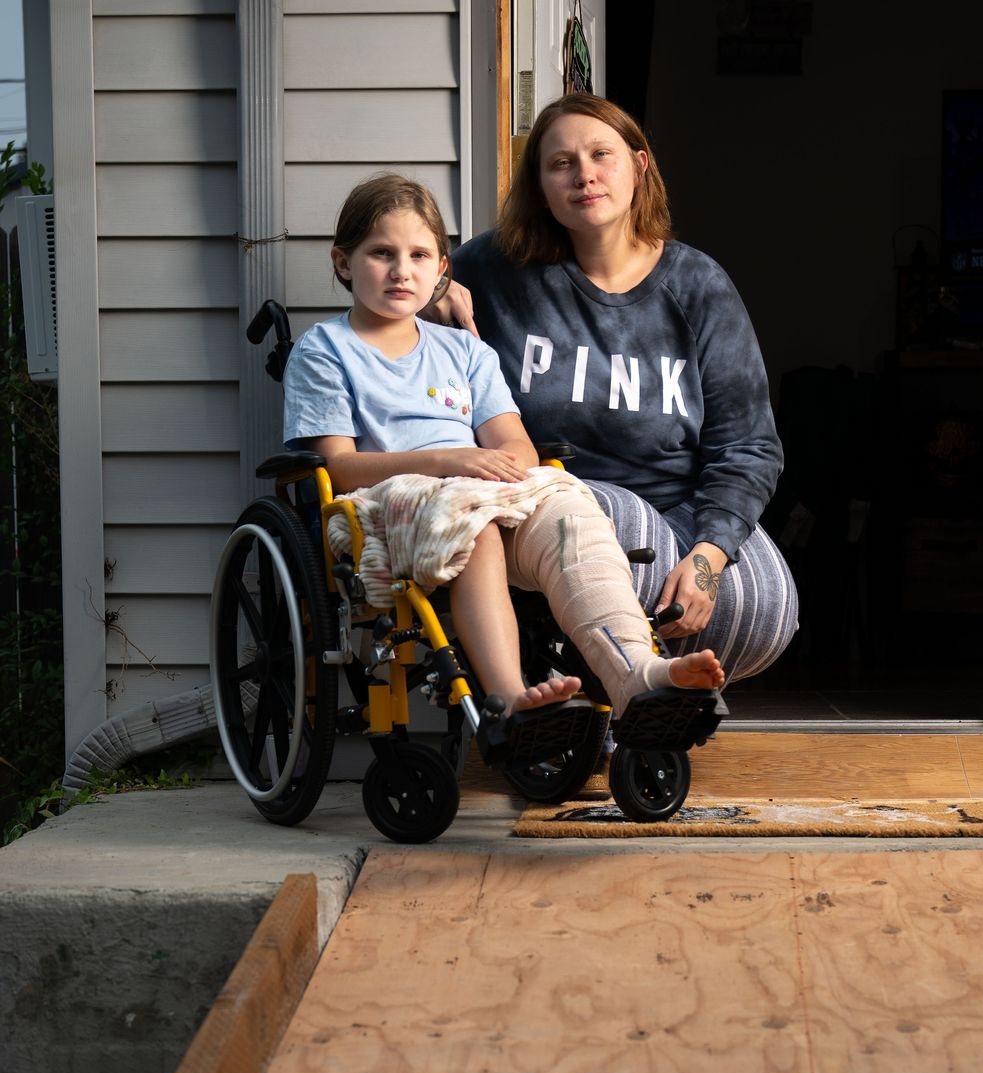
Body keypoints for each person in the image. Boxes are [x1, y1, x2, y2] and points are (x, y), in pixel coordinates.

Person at [280, 173, 724, 739]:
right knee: (478, 526)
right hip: (382, 510)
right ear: (343, 262)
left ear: (443, 269)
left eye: (419, 255)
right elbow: (338, 467)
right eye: (381, 254)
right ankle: (511, 703)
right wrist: (449, 462)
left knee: (569, 508)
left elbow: (512, 443)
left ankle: (637, 673)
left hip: (473, 494)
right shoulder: (326, 350)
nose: (401, 271)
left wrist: (507, 470)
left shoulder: (464, 350)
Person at [443, 93, 798, 684]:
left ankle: (657, 689)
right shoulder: (498, 269)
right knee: (615, 534)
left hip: (683, 504)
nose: (584, 175)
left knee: (764, 606)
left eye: (600, 154)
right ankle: (631, 695)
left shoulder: (698, 285)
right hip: (559, 505)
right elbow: (398, 286)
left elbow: (749, 446)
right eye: (560, 163)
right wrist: (436, 293)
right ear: (540, 186)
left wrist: (708, 556)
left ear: (639, 165)